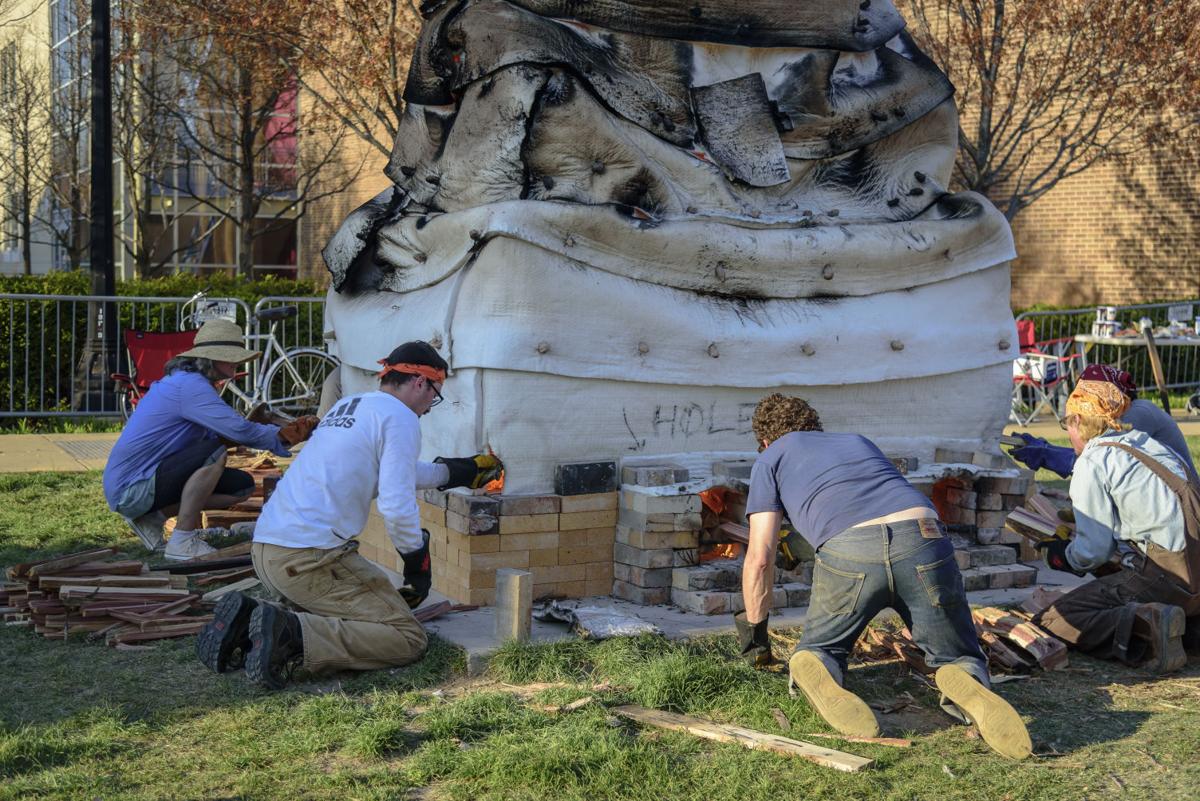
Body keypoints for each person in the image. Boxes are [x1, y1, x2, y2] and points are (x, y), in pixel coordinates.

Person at [737, 393, 1032, 759]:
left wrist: (756, 637)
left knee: (819, 650)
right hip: (923, 537)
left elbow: (760, 558)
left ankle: (818, 663)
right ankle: (964, 677)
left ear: (764, 442)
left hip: (850, 550)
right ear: (813, 424)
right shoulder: (856, 441)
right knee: (957, 654)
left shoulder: (770, 458)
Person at [196, 341, 502, 689]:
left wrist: (454, 472)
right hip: (309, 559)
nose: (432, 403)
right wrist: (416, 561)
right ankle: (292, 634)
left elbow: (395, 472)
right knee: (405, 636)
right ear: (420, 382)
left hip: (268, 551)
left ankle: (250, 620)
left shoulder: (352, 407)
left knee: (356, 615)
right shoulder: (401, 418)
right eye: (435, 393)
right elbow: (395, 504)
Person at [103, 319, 317, 560]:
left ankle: (154, 518)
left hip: (138, 484)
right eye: (231, 356)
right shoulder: (190, 386)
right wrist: (280, 437)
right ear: (211, 359)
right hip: (131, 489)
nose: (237, 362)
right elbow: (237, 431)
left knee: (241, 487)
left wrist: (269, 428)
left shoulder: (189, 382)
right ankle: (182, 542)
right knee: (213, 453)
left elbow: (223, 433)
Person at [1032, 379, 1199, 673]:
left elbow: (1094, 551)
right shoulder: (1149, 445)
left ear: (1079, 420)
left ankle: (1148, 625)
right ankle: (1189, 624)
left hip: (1170, 572)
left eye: (1066, 424)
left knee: (1055, 619)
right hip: (1191, 561)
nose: (1067, 434)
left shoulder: (1093, 460)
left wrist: (1063, 556)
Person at [1009, 364, 1194, 478]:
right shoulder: (1129, 411)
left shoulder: (1136, 416)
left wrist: (1045, 453)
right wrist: (1045, 449)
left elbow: (1098, 462)